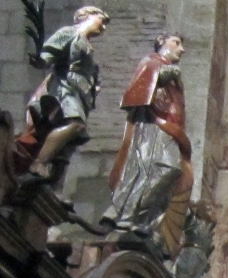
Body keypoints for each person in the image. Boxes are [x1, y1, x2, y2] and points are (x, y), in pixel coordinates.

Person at [101, 32, 191, 254]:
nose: (182, 49)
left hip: (169, 130)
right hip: (152, 127)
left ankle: (141, 221)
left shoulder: (171, 74)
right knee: (158, 169)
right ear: (161, 42)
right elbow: (145, 82)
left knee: (166, 175)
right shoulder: (151, 62)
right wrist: (169, 71)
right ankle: (126, 215)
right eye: (176, 43)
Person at [15, 6, 110, 185]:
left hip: (81, 93)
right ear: (86, 16)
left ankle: (56, 185)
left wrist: (94, 86)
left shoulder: (89, 46)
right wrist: (41, 60)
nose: (103, 28)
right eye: (102, 20)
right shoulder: (69, 33)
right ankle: (39, 162)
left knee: (71, 140)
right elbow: (49, 54)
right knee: (74, 124)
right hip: (65, 87)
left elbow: (90, 72)